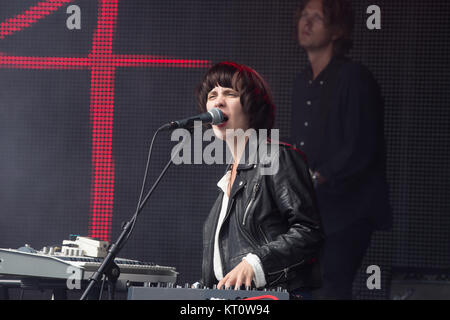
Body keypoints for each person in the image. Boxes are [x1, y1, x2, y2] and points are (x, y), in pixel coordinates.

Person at [195, 61, 324, 298]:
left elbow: (309, 231)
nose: (218, 101)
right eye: (212, 95)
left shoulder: (275, 157)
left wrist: (256, 263)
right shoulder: (228, 180)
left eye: (230, 93)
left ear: (252, 106)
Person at [291, 0, 392, 299]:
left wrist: (318, 176)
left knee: (330, 289)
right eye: (303, 16)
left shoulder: (354, 78)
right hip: (315, 211)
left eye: (317, 18)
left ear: (337, 30)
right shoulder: (301, 82)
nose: (306, 23)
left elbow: (361, 147)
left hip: (348, 211)